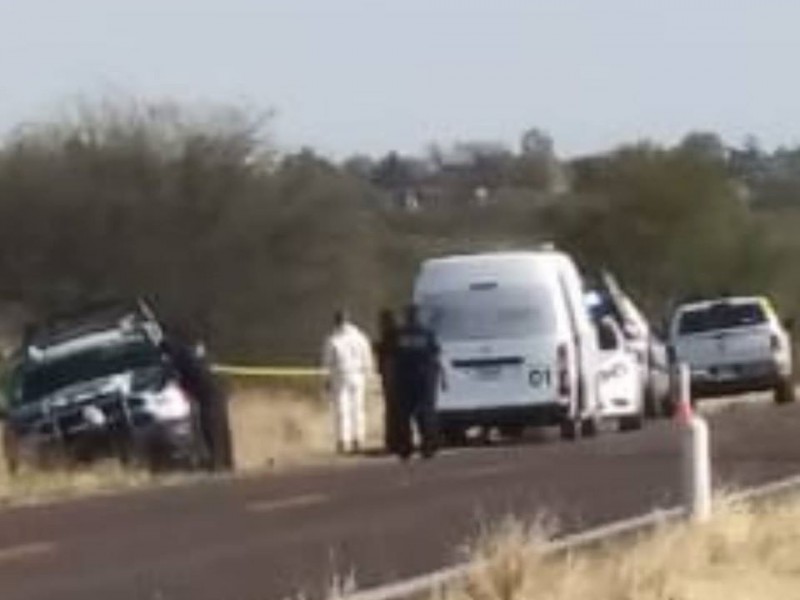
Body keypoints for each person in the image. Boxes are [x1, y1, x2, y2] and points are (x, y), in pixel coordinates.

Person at [161, 330, 234, 471]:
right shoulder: (188, 352)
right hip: (216, 388)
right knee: (221, 426)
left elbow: (176, 378)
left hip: (208, 393)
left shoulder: (179, 357)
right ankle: (226, 462)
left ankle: (217, 463)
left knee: (211, 427)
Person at [322, 310, 374, 454]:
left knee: (342, 410)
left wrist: (326, 379)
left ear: (336, 321)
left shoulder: (333, 339)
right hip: (358, 375)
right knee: (358, 408)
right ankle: (358, 439)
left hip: (340, 376)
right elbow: (367, 358)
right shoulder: (361, 337)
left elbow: (327, 362)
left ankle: (343, 440)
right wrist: (368, 375)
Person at [393, 304, 441, 460]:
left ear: (406, 316)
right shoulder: (427, 333)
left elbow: (393, 355)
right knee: (426, 413)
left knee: (404, 415)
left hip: (404, 378)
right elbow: (435, 354)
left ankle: (405, 448)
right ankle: (428, 447)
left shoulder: (399, 334)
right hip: (424, 378)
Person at [374, 309, 399, 454]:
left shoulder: (390, 337)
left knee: (392, 413)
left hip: (392, 381)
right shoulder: (395, 336)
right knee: (395, 413)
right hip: (395, 380)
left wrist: (378, 348)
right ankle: (397, 442)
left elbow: (387, 358)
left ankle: (392, 443)